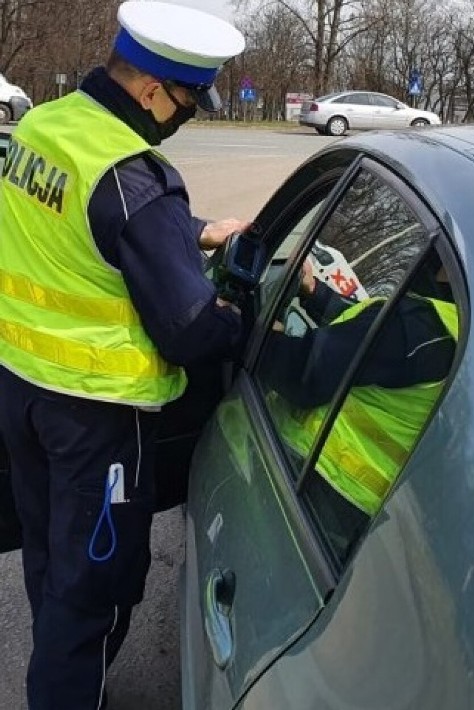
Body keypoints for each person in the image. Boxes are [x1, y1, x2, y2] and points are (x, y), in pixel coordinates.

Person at [0, 3, 248, 708]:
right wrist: (242, 320)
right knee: (92, 593)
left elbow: (85, 230)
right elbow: (193, 334)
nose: (189, 114)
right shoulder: (136, 178)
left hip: (21, 390)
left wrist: (191, 232)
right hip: (98, 421)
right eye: (188, 99)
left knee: (50, 557)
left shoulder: (43, 125)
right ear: (150, 91)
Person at [264, 252, 459, 517]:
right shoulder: (457, 337)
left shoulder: (421, 326)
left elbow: (303, 374)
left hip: (310, 473)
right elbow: (366, 339)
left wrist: (255, 330)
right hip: (356, 506)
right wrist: (315, 292)